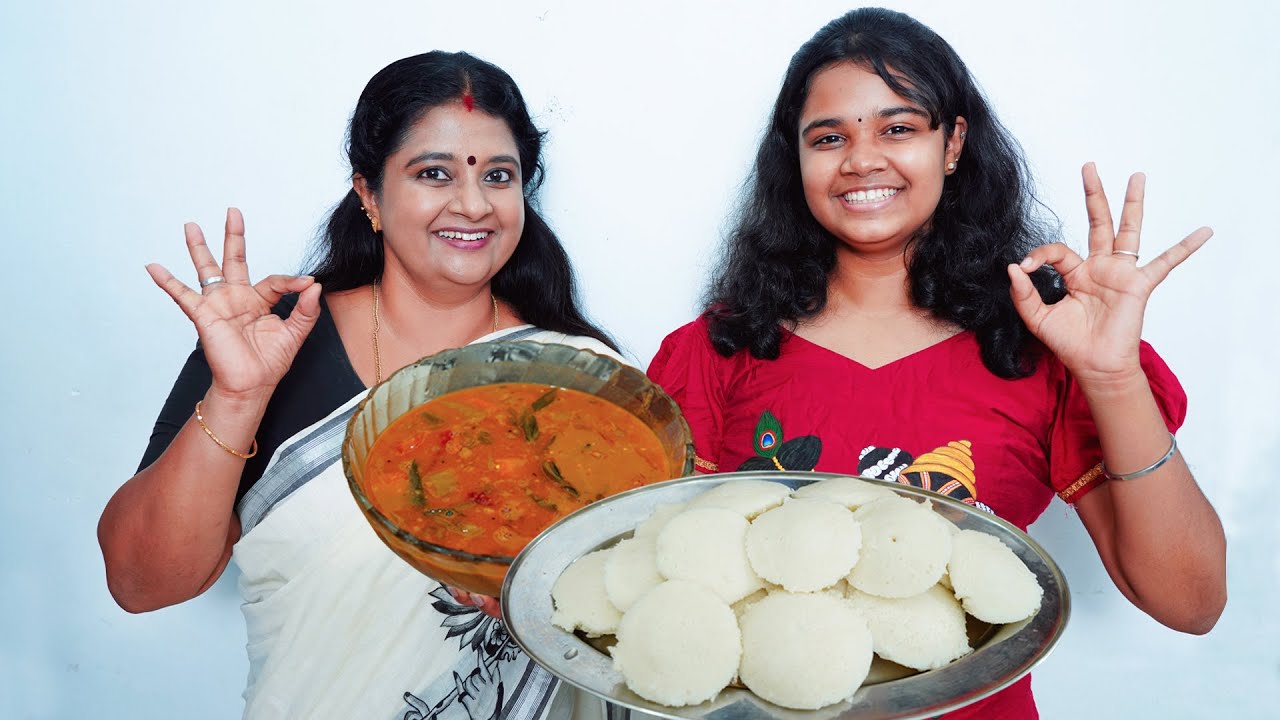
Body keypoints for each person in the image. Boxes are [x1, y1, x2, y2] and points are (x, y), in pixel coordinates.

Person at [646, 8, 1227, 717]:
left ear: (953, 142)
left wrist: (1111, 376)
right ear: (794, 159)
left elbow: (1191, 602)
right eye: (829, 137)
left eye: (898, 127)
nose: (862, 160)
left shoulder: (1043, 346)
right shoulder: (715, 353)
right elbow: (650, 586)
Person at [98, 51, 617, 719]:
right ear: (368, 193)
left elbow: (625, 604)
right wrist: (237, 395)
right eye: (433, 173)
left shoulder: (579, 376)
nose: (472, 203)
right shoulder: (272, 341)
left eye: (498, 176)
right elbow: (143, 584)